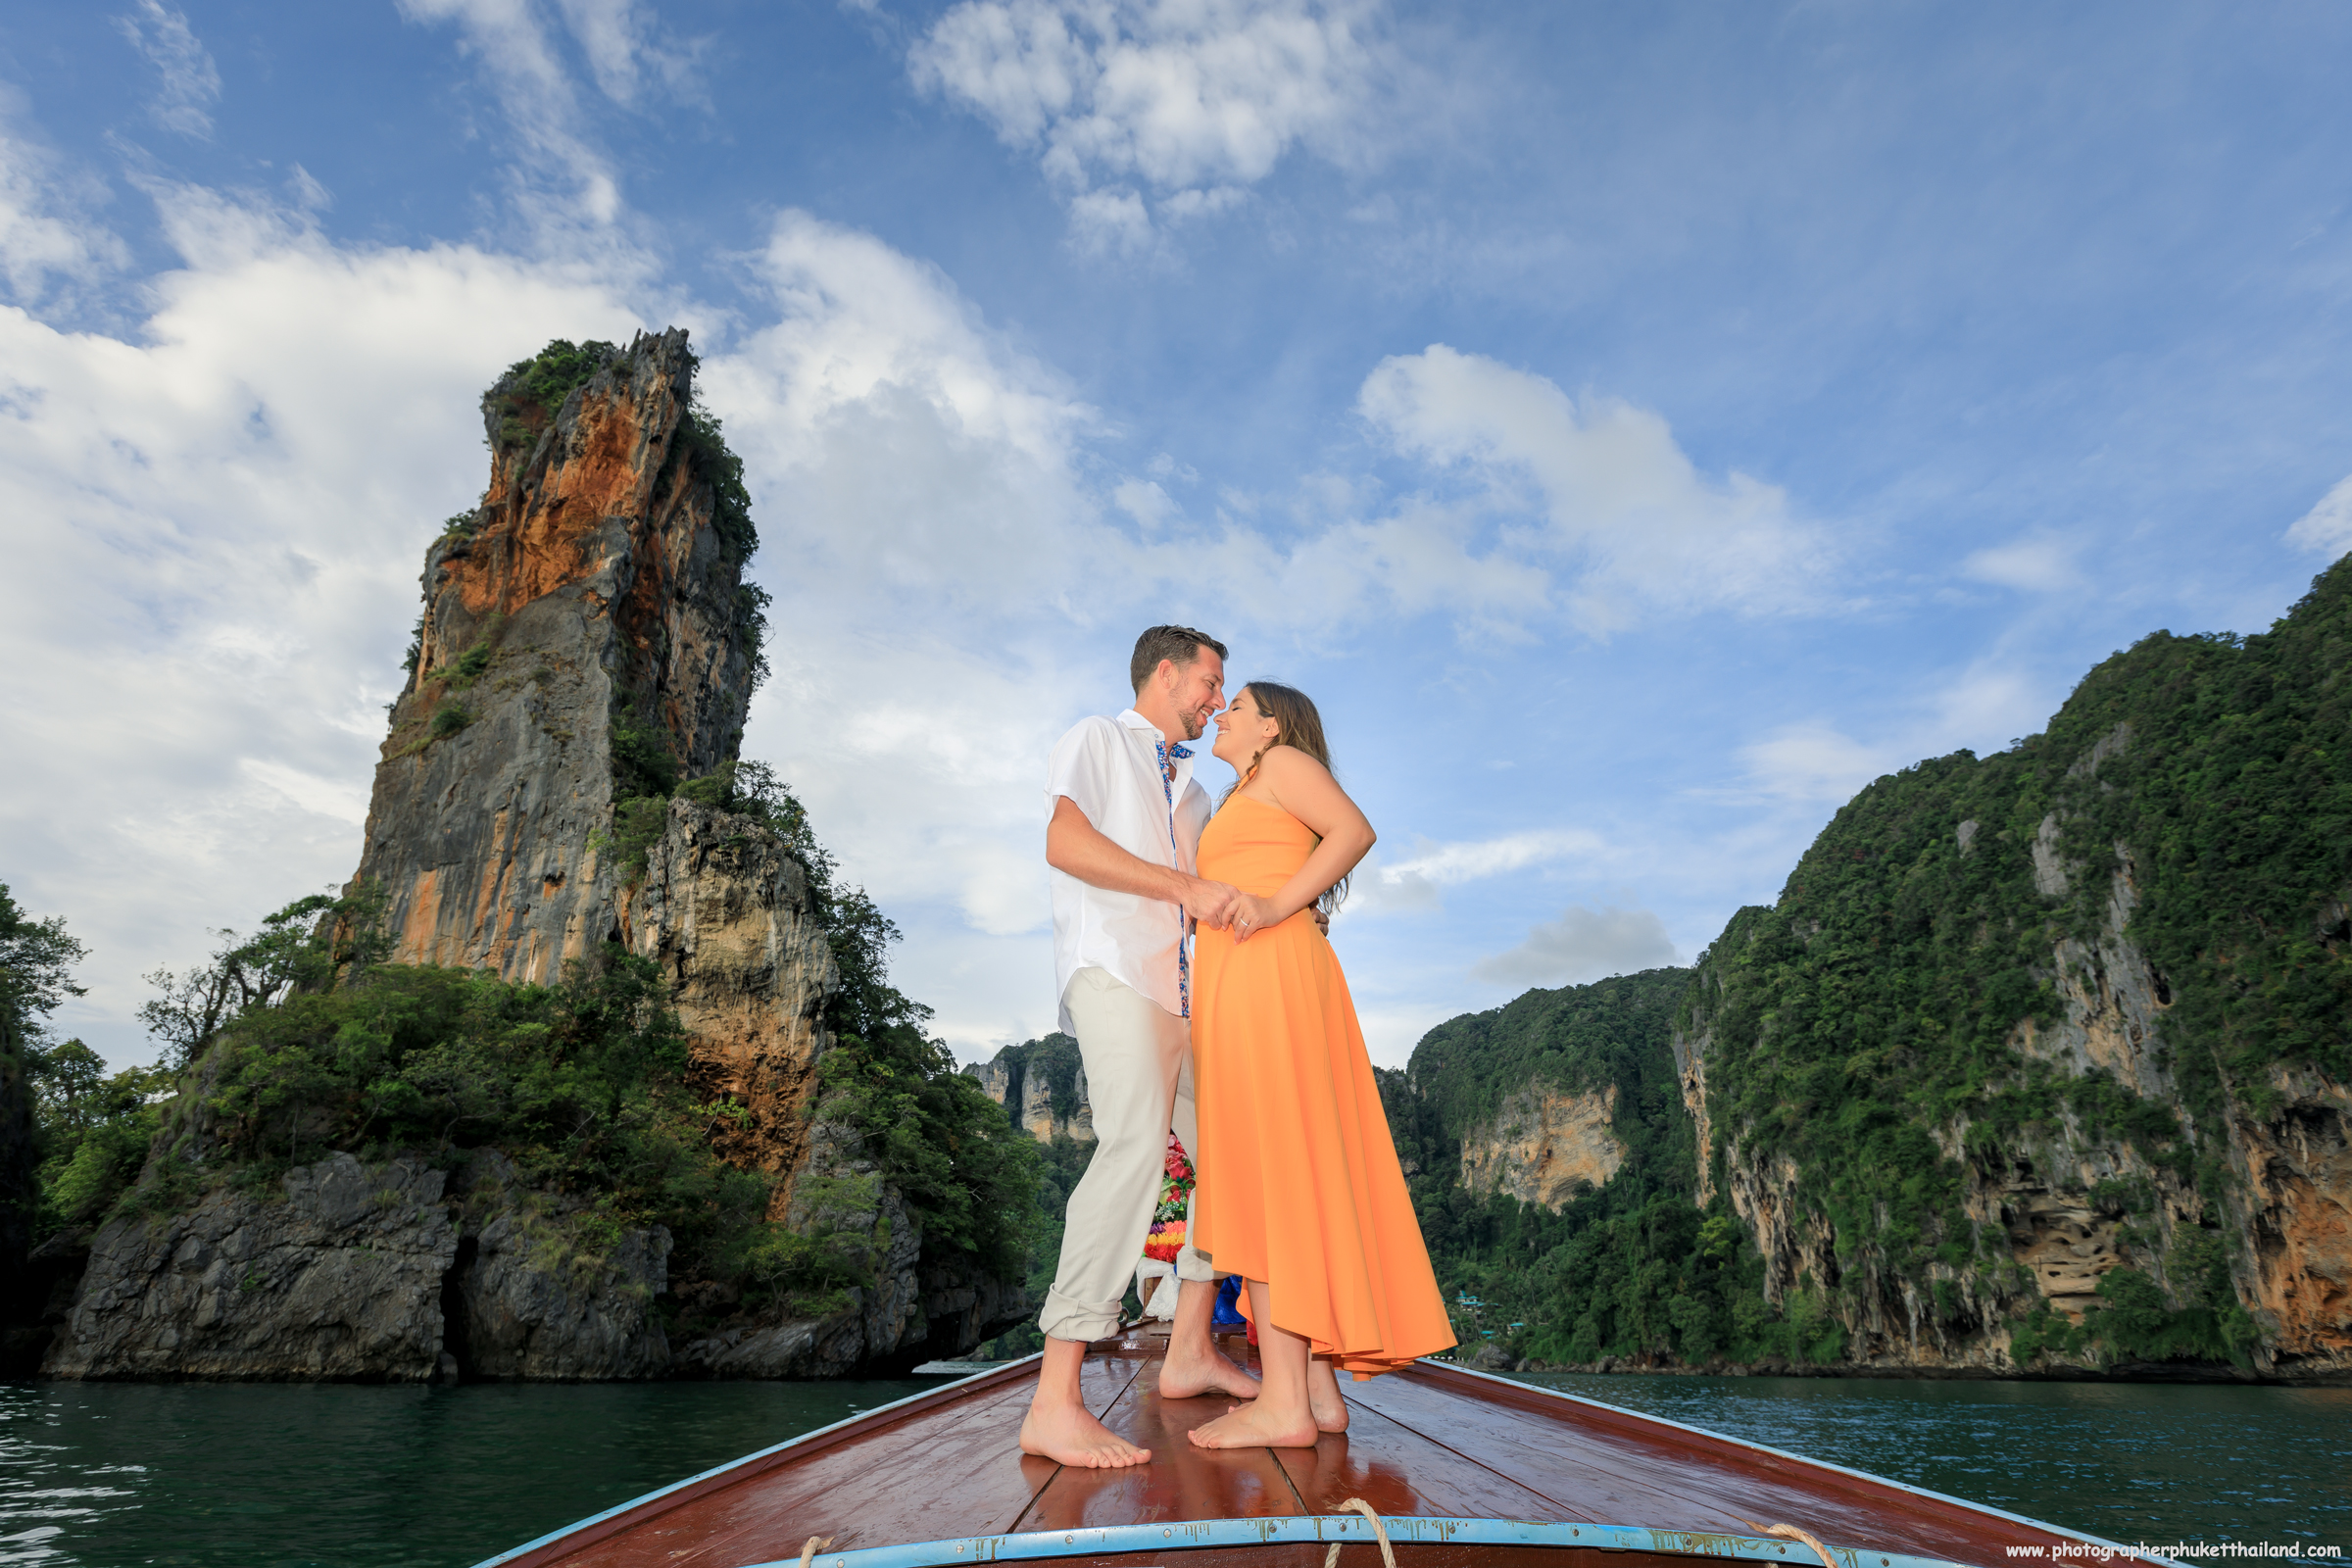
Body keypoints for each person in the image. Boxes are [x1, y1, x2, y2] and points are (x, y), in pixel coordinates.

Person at [1185, 681, 1456, 1449]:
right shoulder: (1239, 793)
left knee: (1274, 1181)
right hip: (1241, 986)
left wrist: (1276, 907)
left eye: (1235, 705)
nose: (1223, 715)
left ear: (1269, 725)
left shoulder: (1283, 764)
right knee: (1277, 1176)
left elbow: (1353, 830)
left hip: (1272, 977)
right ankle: (1315, 1394)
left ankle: (1284, 1407)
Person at [1017, 626, 1264, 1470]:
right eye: (1208, 681)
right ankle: (1055, 1399)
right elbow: (1065, 843)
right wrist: (1187, 886)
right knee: (1131, 1152)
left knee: (1228, 1163)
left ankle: (1190, 1348)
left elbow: (1206, 901)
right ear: (1165, 672)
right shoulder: (1097, 738)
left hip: (1185, 997)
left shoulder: (1194, 794)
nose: (1216, 700)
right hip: (1114, 972)